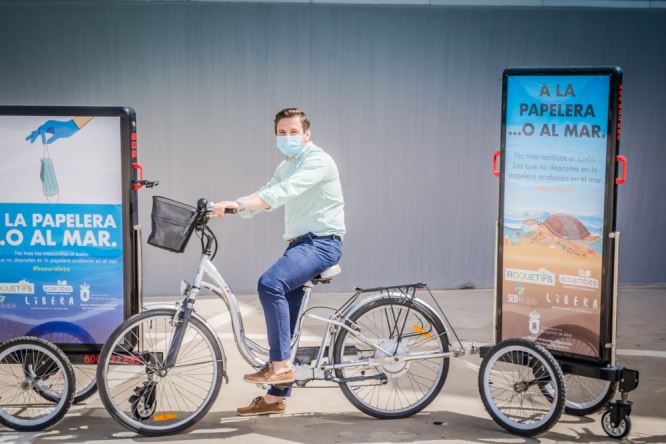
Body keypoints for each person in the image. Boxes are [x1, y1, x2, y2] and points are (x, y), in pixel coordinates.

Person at [212, 108, 345, 416]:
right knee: (289, 323)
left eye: (293, 132)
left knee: (270, 283)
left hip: (321, 243)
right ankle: (275, 398)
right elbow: (267, 192)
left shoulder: (317, 161)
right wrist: (233, 207)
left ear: (307, 134)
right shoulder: (287, 164)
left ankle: (281, 366)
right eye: (282, 133)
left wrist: (240, 205)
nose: (288, 138)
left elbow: (285, 192)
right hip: (301, 245)